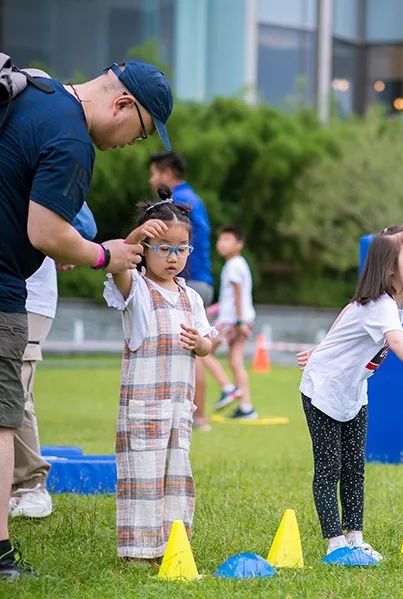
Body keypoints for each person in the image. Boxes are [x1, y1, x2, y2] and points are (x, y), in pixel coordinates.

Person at [0, 59, 172, 580]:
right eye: (138, 131)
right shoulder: (72, 138)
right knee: (3, 422)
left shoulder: (34, 93)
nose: (129, 144)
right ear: (122, 104)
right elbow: (46, 232)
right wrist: (104, 255)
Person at [296, 225, 403, 562]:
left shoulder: (393, 304)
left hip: (354, 391)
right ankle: (335, 545)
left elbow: (348, 311)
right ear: (390, 268)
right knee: (330, 467)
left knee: (355, 465)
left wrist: (323, 345)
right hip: (324, 389)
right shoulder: (380, 304)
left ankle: (355, 539)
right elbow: (398, 343)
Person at [103, 189, 215, 563]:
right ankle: (137, 550)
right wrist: (131, 240)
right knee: (143, 477)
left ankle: (171, 546)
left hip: (178, 409)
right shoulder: (136, 289)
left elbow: (207, 344)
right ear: (145, 249)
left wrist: (201, 343)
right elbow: (116, 266)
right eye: (162, 247)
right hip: (144, 408)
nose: (172, 257)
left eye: (181, 248)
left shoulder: (191, 298)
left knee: (175, 476)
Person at [10, 204, 96, 520]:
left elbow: (83, 222)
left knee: (15, 390)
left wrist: (65, 243)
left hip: (30, 295)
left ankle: (33, 485)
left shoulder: (34, 158)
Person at [148, 151, 214, 430]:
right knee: (192, 346)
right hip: (202, 279)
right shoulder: (194, 198)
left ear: (166, 173)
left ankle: (196, 416)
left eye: (154, 173)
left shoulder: (177, 204)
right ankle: (194, 415)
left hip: (188, 281)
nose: (151, 179)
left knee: (189, 347)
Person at [209, 227, 257, 419]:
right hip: (243, 317)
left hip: (232, 320)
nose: (222, 243)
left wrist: (238, 321)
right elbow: (232, 297)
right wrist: (213, 309)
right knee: (236, 361)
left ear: (239, 244)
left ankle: (228, 388)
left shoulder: (233, 265)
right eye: (220, 239)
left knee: (203, 352)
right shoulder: (239, 263)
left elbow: (237, 294)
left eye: (227, 239)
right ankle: (247, 407)